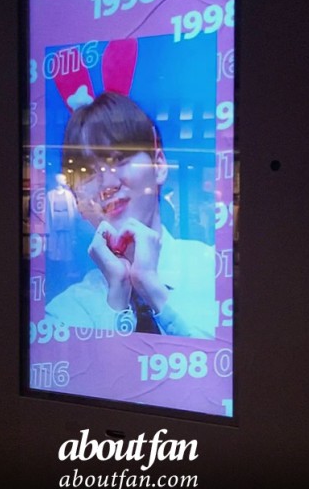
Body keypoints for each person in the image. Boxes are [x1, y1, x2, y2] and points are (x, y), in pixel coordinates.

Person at [44, 92, 217, 339]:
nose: (108, 184)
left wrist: (153, 290)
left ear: (159, 165)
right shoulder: (64, 312)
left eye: (119, 159)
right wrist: (117, 297)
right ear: (77, 202)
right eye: (87, 172)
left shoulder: (213, 270)